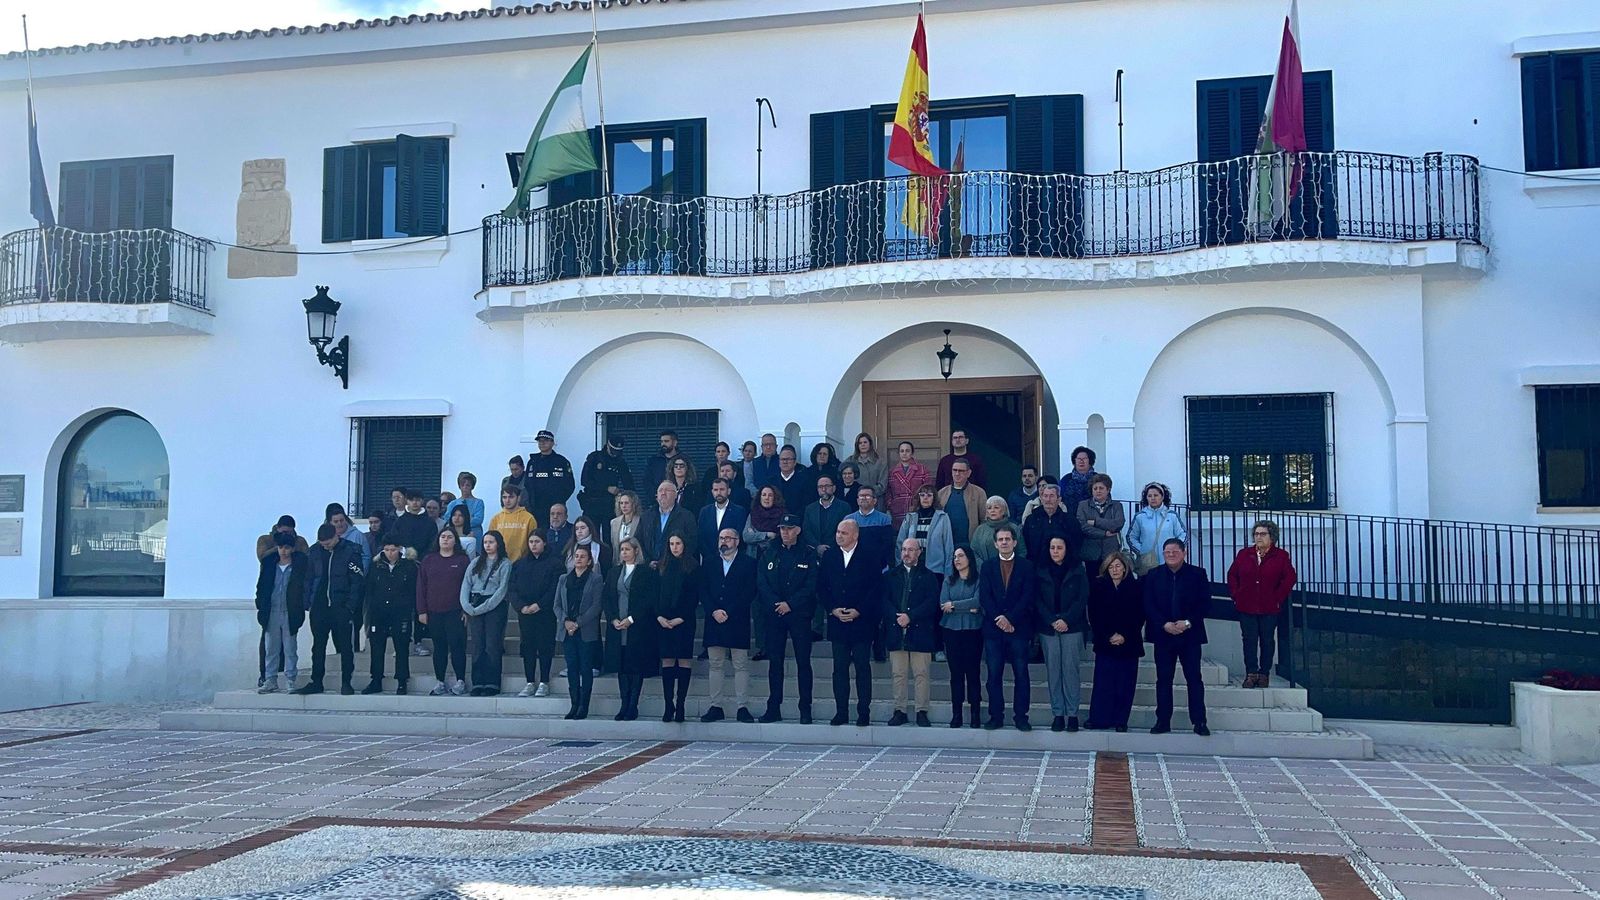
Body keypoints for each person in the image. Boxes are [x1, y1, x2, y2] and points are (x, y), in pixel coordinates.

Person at [1143, 538, 1211, 736]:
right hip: (1163, 635)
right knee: (1163, 679)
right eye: (1166, 552)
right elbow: (1148, 604)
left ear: (1184, 552)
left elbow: (1205, 603)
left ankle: (1199, 721)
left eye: (1174, 551)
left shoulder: (1197, 574)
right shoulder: (1154, 575)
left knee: (1194, 679)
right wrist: (1163, 624)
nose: (1170, 555)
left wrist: (1187, 622)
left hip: (1190, 635)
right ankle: (1163, 720)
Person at [820, 519, 882, 727]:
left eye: (844, 533)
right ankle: (841, 712)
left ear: (855, 535)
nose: (839, 536)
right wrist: (833, 609)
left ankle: (863, 712)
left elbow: (875, 588)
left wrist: (859, 610)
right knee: (839, 669)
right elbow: (822, 587)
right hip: (838, 621)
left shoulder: (870, 556)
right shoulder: (829, 556)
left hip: (861, 622)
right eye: (837, 532)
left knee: (862, 668)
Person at [757, 513, 817, 723]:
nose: (785, 532)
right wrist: (776, 603)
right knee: (775, 663)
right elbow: (762, 582)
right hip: (774, 614)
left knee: (803, 662)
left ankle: (805, 708)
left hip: (799, 614)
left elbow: (811, 585)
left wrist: (790, 604)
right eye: (782, 529)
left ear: (798, 530)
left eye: (789, 528)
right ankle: (773, 707)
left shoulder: (808, 554)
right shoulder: (769, 552)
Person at [292, 523, 365, 695]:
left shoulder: (351, 551)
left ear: (336, 536)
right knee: (318, 646)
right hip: (319, 606)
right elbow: (308, 578)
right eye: (322, 543)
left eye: (328, 543)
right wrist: (308, 601)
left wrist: (350, 606)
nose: (325, 546)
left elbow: (357, 581)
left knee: (346, 647)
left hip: (341, 606)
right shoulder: (315, 551)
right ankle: (316, 681)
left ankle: (346, 682)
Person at [1228, 519, 1297, 689]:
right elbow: (1232, 575)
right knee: (1249, 640)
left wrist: (1277, 597)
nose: (1258, 537)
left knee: (1267, 640)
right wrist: (1236, 594)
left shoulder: (1281, 556)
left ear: (1272, 536)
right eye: (1256, 534)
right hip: (1246, 605)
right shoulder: (1244, 554)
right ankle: (1251, 673)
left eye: (1263, 534)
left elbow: (1289, 578)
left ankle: (1264, 673)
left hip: (1269, 606)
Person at [979, 523, 1035, 730]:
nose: (1004, 542)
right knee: (994, 674)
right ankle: (996, 716)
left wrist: (1010, 619)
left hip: (1018, 629)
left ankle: (1021, 717)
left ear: (1014, 542)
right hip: (994, 630)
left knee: (1021, 673)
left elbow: (1027, 596)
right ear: (995, 544)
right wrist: (1000, 619)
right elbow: (985, 596)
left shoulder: (1027, 566)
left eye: (1007, 539)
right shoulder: (987, 567)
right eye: (1000, 539)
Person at [700, 527, 757, 722]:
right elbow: (703, 589)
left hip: (737, 619)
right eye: (721, 538)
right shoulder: (709, 562)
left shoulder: (748, 563)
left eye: (728, 538)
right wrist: (713, 610)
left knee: (740, 664)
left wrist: (729, 611)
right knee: (715, 664)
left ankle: (742, 707)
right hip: (714, 619)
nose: (724, 541)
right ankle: (716, 706)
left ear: (737, 541)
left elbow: (749, 591)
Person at [882, 538, 940, 727]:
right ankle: (900, 710)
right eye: (904, 549)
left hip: (920, 631)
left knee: (921, 673)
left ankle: (921, 711)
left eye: (911, 550)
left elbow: (931, 603)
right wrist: (896, 616)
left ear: (919, 552)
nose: (906, 553)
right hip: (896, 630)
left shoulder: (929, 576)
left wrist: (911, 616)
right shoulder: (891, 576)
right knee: (898, 673)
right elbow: (884, 600)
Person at [1035, 536, 1089, 732]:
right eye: (1052, 547)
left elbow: (1082, 598)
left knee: (1070, 670)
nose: (1055, 551)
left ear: (1067, 549)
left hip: (1071, 626)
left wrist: (1066, 619)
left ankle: (1072, 714)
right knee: (1053, 672)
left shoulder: (1077, 569)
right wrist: (1051, 620)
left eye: (1059, 547)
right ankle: (1058, 713)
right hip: (1048, 627)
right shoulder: (1040, 570)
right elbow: (1037, 600)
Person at [1086, 551, 1143, 732]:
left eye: (1118, 566)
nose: (1115, 569)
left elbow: (1139, 615)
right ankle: (1099, 719)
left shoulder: (1135, 587)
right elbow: (1094, 614)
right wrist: (1108, 635)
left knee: (1125, 684)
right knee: (1103, 683)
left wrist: (1124, 635)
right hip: (1105, 642)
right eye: (1111, 567)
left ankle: (1120, 720)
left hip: (1129, 643)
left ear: (1125, 568)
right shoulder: (1099, 586)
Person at [604, 537, 659, 721]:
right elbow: (608, 597)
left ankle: (632, 705)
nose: (624, 553)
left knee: (635, 666)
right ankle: (623, 703)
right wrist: (613, 618)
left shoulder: (646, 573)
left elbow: (648, 600)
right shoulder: (614, 572)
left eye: (628, 549)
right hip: (617, 626)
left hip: (637, 626)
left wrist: (631, 618)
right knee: (621, 666)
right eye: (622, 550)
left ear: (636, 550)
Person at [417, 527, 470, 695]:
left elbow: (468, 586)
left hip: (456, 612)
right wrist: (422, 611)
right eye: (443, 536)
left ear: (455, 540)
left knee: (457, 646)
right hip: (434, 612)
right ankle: (440, 681)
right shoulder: (428, 560)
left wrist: (466, 609)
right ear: (438, 540)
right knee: (439, 648)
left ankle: (460, 681)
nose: (446, 539)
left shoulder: (462, 560)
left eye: (449, 537)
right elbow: (421, 586)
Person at [362, 537, 417, 695]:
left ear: (399, 549)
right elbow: (370, 589)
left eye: (393, 550)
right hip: (379, 612)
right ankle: (376, 679)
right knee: (377, 647)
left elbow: (413, 589)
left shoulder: (409, 566)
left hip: (401, 612)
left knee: (401, 647)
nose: (389, 553)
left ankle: (401, 680)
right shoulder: (376, 565)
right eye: (386, 550)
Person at [460, 530, 512, 697]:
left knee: (492, 644)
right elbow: (466, 584)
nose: (488, 545)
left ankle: (492, 682)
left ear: (498, 544)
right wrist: (467, 606)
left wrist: (483, 608)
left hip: (494, 606)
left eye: (491, 542)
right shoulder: (475, 562)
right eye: (485, 542)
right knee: (477, 645)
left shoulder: (505, 563)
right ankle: (478, 682)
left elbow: (502, 589)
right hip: (475, 603)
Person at [254, 530, 307, 693]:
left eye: (286, 548)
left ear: (291, 548)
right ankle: (270, 679)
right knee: (271, 648)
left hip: (290, 611)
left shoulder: (298, 566)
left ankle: (291, 679)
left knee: (290, 648)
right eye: (280, 548)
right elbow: (261, 586)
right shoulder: (270, 565)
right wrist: (260, 605)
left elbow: (303, 587)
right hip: (271, 611)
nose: (283, 551)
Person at [555, 544, 603, 719]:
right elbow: (557, 605)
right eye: (576, 556)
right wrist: (566, 621)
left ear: (589, 560)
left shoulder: (595, 579)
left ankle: (584, 705)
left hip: (586, 630)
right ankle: (574, 703)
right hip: (567, 630)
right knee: (572, 667)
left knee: (585, 667)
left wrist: (578, 623)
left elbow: (596, 606)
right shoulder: (563, 579)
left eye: (583, 556)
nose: (579, 559)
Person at [512, 531, 561, 698]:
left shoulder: (554, 563)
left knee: (545, 646)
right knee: (528, 647)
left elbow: (555, 587)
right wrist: (521, 606)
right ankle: (529, 681)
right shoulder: (520, 564)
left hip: (545, 613)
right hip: (525, 613)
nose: (533, 544)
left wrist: (539, 605)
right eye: (531, 541)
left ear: (544, 543)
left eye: (537, 541)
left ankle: (544, 682)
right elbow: (512, 588)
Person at [656, 534, 699, 722]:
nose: (675, 547)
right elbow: (655, 595)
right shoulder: (661, 567)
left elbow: (694, 596)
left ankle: (680, 704)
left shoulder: (693, 567)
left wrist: (681, 618)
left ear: (685, 545)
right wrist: (660, 617)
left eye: (678, 543)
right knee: (667, 661)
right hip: (664, 622)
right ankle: (668, 704)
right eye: (671, 544)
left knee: (683, 661)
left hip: (684, 621)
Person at [940, 546, 984, 728]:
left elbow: (978, 602)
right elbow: (943, 604)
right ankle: (956, 713)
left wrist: (955, 606)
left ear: (969, 559)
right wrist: (967, 608)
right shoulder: (948, 580)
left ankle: (975, 713)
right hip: (951, 631)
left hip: (973, 631)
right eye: (954, 557)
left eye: (961, 556)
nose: (957, 560)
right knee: (956, 674)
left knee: (973, 673)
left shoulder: (978, 580)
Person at [1127, 482, 1187, 577]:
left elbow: (1183, 534)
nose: (1153, 498)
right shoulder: (1140, 517)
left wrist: (1175, 549)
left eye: (1156, 495)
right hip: (1148, 563)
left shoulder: (1172, 516)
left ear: (1162, 497)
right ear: (1146, 498)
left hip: (1169, 561)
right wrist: (1141, 550)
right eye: (1149, 496)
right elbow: (1131, 537)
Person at [898, 484, 954, 577]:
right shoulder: (910, 517)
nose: (925, 498)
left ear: (934, 498)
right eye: (922, 495)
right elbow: (900, 542)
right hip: (912, 566)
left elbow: (948, 546)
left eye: (929, 495)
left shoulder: (943, 517)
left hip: (935, 568)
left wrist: (948, 572)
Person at [1076, 474, 1125, 581]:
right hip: (1090, 554)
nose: (1098, 491)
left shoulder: (1116, 506)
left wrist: (1095, 521)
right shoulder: (1083, 505)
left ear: (1108, 490)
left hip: (1110, 554)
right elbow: (1083, 527)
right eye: (1095, 488)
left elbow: (1117, 524)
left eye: (1101, 488)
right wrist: (1104, 533)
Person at [639, 480, 697, 567]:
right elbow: (639, 541)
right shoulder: (646, 516)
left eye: (667, 490)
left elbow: (692, 542)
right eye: (660, 490)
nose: (663, 493)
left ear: (676, 495)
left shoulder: (686, 516)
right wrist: (648, 561)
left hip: (675, 568)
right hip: (649, 568)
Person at [579, 435, 634, 524]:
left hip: (610, 505)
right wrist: (606, 488)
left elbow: (628, 483)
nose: (615, 454)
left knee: (610, 535)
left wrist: (625, 495)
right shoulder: (594, 458)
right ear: (608, 445)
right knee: (592, 533)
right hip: (593, 502)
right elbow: (584, 480)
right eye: (613, 451)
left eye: (618, 451)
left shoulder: (620, 462)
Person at [525, 429, 576, 519]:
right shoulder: (533, 462)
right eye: (540, 441)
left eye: (546, 441)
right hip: (536, 508)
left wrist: (559, 502)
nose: (542, 443)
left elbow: (570, 485)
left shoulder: (561, 461)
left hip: (556, 509)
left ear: (552, 443)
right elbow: (527, 483)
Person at [698, 478, 749, 566]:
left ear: (728, 491)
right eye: (716, 490)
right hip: (709, 560)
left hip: (732, 560)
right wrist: (709, 556)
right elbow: (700, 536)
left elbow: (739, 534)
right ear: (712, 492)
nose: (718, 493)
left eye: (722, 489)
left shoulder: (739, 511)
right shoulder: (705, 511)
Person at [1022, 483, 1075, 565]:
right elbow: (1025, 542)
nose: (1048, 499)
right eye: (1045, 496)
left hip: (1062, 567)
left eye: (1051, 496)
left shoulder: (1069, 521)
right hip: (1036, 566)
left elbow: (1075, 544)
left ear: (1059, 499)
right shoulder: (1031, 520)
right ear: (1041, 499)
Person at [885, 441, 932, 529]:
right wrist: (891, 505)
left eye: (907, 451)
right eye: (902, 451)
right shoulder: (892, 472)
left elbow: (928, 489)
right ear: (898, 453)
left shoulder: (922, 469)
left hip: (916, 508)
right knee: (899, 537)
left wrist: (922, 505)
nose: (904, 453)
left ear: (912, 453)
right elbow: (888, 492)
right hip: (898, 509)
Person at [937, 459, 985, 545]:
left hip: (970, 544)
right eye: (954, 470)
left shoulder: (979, 492)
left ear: (969, 473)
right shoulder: (941, 493)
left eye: (961, 471)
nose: (957, 473)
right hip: (946, 543)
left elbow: (984, 520)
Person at [802, 474, 849, 561]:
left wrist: (830, 548)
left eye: (827, 486)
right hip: (813, 554)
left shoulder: (844, 507)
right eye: (820, 487)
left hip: (837, 553)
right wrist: (817, 546)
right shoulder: (810, 508)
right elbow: (807, 530)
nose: (824, 489)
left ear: (834, 488)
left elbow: (846, 530)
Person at [488, 485, 538, 563]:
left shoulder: (529, 518)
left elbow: (534, 541)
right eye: (504, 497)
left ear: (518, 498)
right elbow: (490, 541)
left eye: (511, 497)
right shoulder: (496, 519)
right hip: (499, 562)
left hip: (522, 563)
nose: (507, 500)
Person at [972, 496, 1026, 567]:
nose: (992, 510)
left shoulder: (1014, 528)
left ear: (1004, 510)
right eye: (989, 508)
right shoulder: (980, 530)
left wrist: (1013, 568)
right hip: (986, 572)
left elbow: (1022, 551)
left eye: (996, 507)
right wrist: (984, 567)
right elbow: (974, 552)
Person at [390, 490, 437, 561]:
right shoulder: (400, 521)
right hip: (402, 561)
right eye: (411, 500)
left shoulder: (430, 522)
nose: (414, 503)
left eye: (417, 500)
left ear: (422, 501)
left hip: (424, 561)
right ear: (407, 501)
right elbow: (394, 539)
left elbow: (433, 543)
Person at [742, 485, 785, 563]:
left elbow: (779, 539)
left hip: (775, 558)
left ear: (775, 498)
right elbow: (746, 537)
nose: (766, 498)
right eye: (764, 495)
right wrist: (767, 535)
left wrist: (755, 535)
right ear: (760, 497)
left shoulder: (782, 515)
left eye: (770, 495)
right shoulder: (753, 514)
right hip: (753, 557)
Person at [767, 445, 814, 514]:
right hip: (775, 520)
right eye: (783, 459)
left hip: (798, 521)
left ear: (795, 462)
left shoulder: (805, 481)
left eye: (788, 459)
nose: (785, 462)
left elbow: (807, 504)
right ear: (779, 462)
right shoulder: (771, 481)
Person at [644, 429, 685, 501]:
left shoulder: (684, 460)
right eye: (661, 441)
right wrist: (655, 496)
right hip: (657, 501)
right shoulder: (654, 461)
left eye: (666, 441)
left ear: (675, 443)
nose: (663, 444)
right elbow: (647, 481)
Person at [844, 432, 887, 500]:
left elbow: (882, 486)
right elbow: (844, 480)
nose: (863, 445)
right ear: (857, 445)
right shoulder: (850, 461)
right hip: (855, 500)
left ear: (870, 444)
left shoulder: (880, 463)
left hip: (875, 500)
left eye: (865, 442)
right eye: (860, 443)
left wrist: (867, 493)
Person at [1059, 446, 1097, 520]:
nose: (1081, 461)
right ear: (1074, 461)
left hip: (1093, 521)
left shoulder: (1098, 479)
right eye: (1079, 459)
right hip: (1070, 520)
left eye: (1084, 459)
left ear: (1090, 461)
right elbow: (1058, 498)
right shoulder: (1066, 479)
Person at [609, 490, 643, 556]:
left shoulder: (641, 521)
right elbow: (614, 546)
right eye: (621, 503)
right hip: (618, 562)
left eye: (627, 503)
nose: (624, 506)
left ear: (633, 504)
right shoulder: (614, 522)